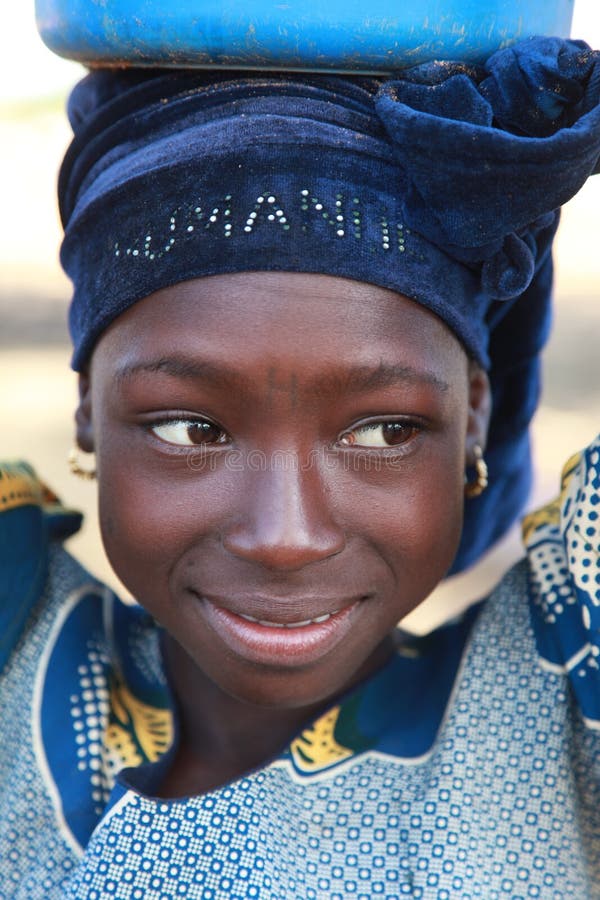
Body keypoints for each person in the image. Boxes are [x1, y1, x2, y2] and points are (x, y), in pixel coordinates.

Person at [1, 35, 600, 899]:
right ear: (89, 406)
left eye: (384, 432)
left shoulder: (546, 712)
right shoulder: (19, 652)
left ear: (473, 412)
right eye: (186, 427)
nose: (285, 536)